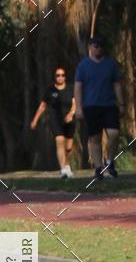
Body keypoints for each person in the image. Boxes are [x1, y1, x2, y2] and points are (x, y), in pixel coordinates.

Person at [74, 36, 124, 178]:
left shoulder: (110, 64)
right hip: (91, 106)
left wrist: (121, 103)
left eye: (101, 45)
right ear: (90, 47)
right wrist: (78, 107)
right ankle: (98, 168)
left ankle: (110, 161)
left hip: (109, 105)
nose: (98, 48)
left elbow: (117, 84)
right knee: (95, 138)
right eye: (96, 45)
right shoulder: (83, 65)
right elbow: (78, 87)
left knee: (114, 134)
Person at [30, 67, 76, 178]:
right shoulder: (50, 90)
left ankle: (67, 164)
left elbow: (75, 103)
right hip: (56, 119)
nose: (60, 77)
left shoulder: (71, 88)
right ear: (55, 77)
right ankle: (63, 169)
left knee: (68, 147)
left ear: (65, 77)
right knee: (59, 140)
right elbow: (43, 106)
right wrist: (35, 120)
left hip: (69, 119)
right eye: (58, 75)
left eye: (62, 75)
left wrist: (71, 114)